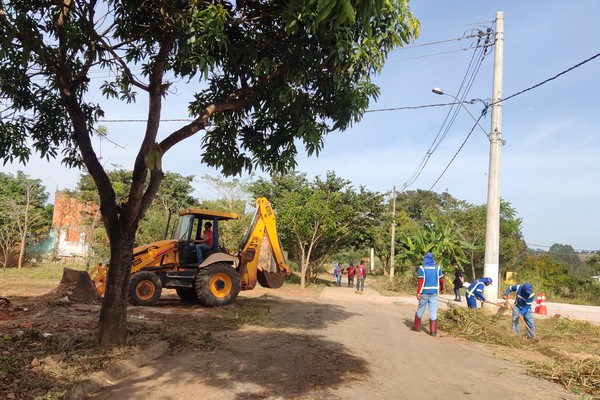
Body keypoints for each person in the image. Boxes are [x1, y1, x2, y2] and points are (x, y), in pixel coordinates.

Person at [413, 252, 444, 336]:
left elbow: (421, 281)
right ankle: (433, 331)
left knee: (421, 308)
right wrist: (442, 288)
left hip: (424, 292)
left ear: (425, 259)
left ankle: (417, 327)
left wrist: (418, 292)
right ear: (433, 259)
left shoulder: (422, 268)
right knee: (433, 310)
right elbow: (441, 280)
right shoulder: (438, 268)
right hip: (434, 292)